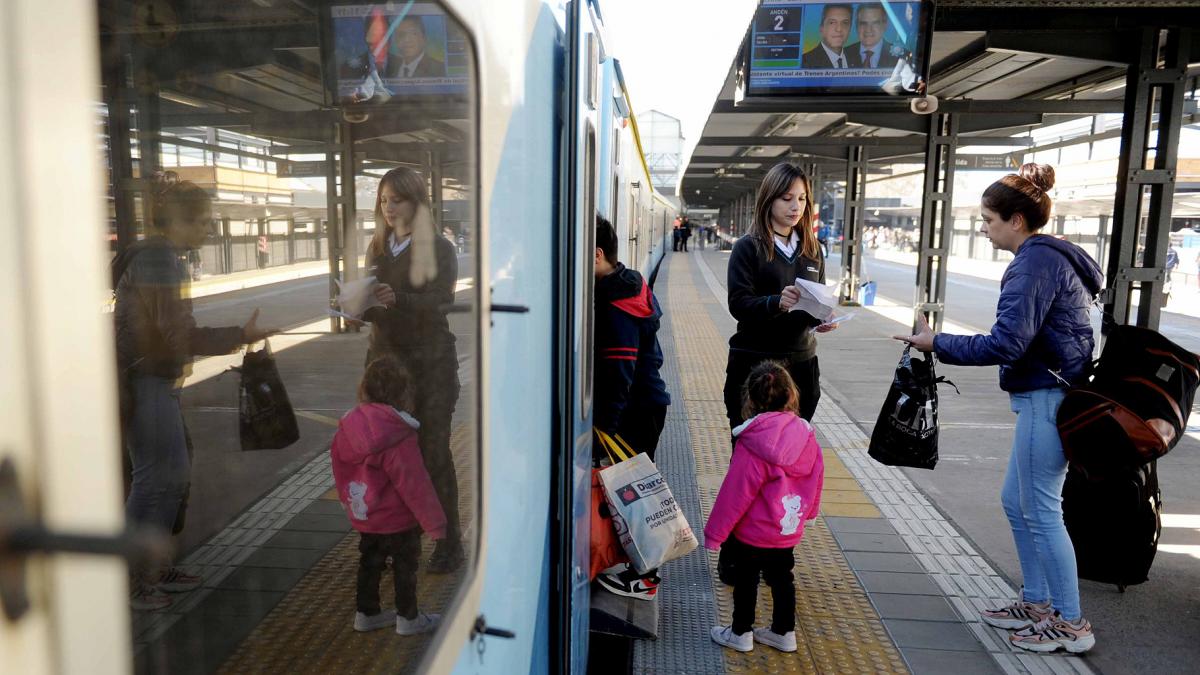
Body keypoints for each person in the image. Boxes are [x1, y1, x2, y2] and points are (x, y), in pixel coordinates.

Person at [896, 163, 1100, 655]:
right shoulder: (1048, 258)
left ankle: (1071, 623)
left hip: (1047, 397)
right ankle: (1036, 603)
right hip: (1046, 394)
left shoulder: (1033, 262)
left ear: (1016, 220)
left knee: (1042, 510)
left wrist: (935, 342)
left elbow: (1008, 342)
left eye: (988, 220)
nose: (984, 230)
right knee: (1018, 502)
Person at [113, 173, 275, 610]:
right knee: (154, 481)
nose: (208, 230)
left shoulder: (160, 256)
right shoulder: (159, 260)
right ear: (178, 222)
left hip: (151, 379)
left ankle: (152, 567)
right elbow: (178, 334)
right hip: (145, 381)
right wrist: (239, 335)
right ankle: (129, 579)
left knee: (168, 478)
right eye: (202, 222)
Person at [362, 167, 465, 573]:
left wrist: (398, 299)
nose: (388, 207)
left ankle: (449, 543)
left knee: (433, 455)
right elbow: (376, 306)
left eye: (397, 199)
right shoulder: (377, 248)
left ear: (416, 202)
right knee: (386, 458)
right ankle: (394, 539)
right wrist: (355, 307)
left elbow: (443, 301)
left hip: (431, 366)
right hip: (387, 369)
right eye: (384, 200)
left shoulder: (439, 248)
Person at [704, 362, 824, 654]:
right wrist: (809, 513)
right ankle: (783, 633)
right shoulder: (806, 435)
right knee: (783, 578)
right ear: (791, 395)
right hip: (787, 527)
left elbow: (736, 493)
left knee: (746, 579)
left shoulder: (752, 442)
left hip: (753, 531)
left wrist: (715, 535)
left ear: (751, 399)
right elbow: (817, 475)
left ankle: (741, 632)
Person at [331, 355, 446, 635]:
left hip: (366, 515)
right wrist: (436, 525)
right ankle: (408, 618)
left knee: (370, 562)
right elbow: (415, 484)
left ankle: (366, 613)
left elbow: (340, 467)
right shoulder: (398, 435)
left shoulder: (349, 426)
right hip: (397, 520)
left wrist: (352, 502)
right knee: (404, 567)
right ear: (404, 392)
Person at [591, 215, 672, 600]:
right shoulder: (631, 283)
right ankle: (640, 569)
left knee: (639, 496)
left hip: (635, 408)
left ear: (595, 255)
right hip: (647, 403)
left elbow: (620, 371)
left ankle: (646, 578)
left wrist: (603, 427)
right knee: (639, 491)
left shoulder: (614, 304)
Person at [845, 3, 903, 69]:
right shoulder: (843, 54)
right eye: (863, 23)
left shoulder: (901, 57)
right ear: (856, 25)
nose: (868, 29)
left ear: (885, 25)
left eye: (875, 23)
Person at [801, 4, 853, 69]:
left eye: (845, 23)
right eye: (832, 22)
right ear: (821, 28)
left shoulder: (857, 58)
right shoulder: (804, 62)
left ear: (850, 28)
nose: (839, 29)